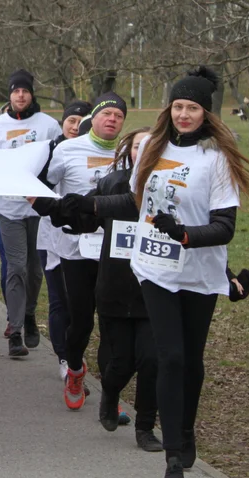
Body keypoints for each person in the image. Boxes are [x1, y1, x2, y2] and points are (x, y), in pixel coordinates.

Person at [81, 67, 249, 478]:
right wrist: (84, 207)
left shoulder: (217, 160)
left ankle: (185, 431)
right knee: (170, 358)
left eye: (193, 108)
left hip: (199, 275)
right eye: (178, 106)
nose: (184, 114)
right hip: (155, 270)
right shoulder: (150, 148)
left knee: (192, 362)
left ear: (206, 113)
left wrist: (183, 234)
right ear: (170, 109)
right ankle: (173, 461)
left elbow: (224, 227)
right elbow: (132, 200)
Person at [64, 126, 163, 452]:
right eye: (137, 146)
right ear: (128, 152)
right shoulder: (112, 184)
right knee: (120, 361)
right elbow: (85, 218)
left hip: (154, 290)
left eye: (151, 147)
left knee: (151, 361)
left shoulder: (171, 188)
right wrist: (58, 210)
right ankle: (109, 394)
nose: (143, 152)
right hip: (115, 289)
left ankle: (146, 427)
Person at [33, 94, 127, 408]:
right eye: (107, 113)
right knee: (81, 320)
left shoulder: (130, 153)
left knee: (113, 321)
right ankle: (74, 368)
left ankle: (110, 396)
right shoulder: (67, 149)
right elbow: (41, 187)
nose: (112, 119)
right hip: (74, 248)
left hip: (115, 248)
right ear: (94, 118)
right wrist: (55, 210)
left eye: (118, 115)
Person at [0, 69, 60, 358]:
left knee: (34, 270)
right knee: (15, 266)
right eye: (15, 91)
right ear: (10, 94)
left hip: (38, 209)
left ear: (31, 93)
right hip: (8, 208)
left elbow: (57, 162)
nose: (20, 95)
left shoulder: (49, 125)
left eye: (25, 90)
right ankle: (15, 331)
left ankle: (28, 315)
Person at [36, 100, 91, 380]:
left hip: (86, 240)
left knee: (80, 305)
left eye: (82, 121)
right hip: (51, 236)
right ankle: (64, 358)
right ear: (63, 122)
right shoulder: (48, 151)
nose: (76, 126)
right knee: (59, 300)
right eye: (71, 120)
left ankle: (76, 355)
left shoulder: (100, 152)